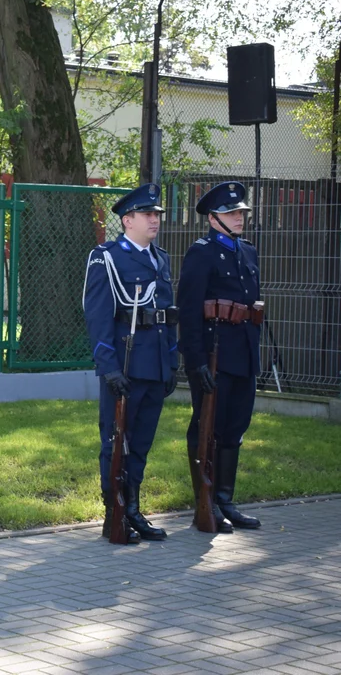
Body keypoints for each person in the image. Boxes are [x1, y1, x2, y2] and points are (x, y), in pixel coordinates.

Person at [82, 183, 177, 545]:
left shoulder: (161, 258)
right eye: (148, 214)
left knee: (141, 444)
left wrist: (170, 361)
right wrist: (108, 368)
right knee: (115, 442)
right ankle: (115, 514)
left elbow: (168, 315)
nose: (155, 220)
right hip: (123, 365)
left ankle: (134, 508)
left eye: (156, 215)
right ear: (128, 220)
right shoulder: (106, 257)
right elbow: (99, 317)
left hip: (153, 366)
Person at [177, 181, 262, 531]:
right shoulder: (202, 253)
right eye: (231, 213)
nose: (239, 217)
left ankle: (225, 499)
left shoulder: (249, 252)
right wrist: (195, 361)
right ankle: (205, 503)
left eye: (240, 211)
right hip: (213, 356)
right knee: (207, 427)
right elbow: (189, 310)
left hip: (242, 355)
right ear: (213, 218)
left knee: (234, 428)